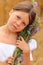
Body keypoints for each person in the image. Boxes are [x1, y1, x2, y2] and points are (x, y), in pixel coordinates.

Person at [0, 1, 37, 65]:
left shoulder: (23, 41)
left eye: (23, 23)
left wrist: (26, 52)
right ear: (11, 12)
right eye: (18, 17)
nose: (18, 23)